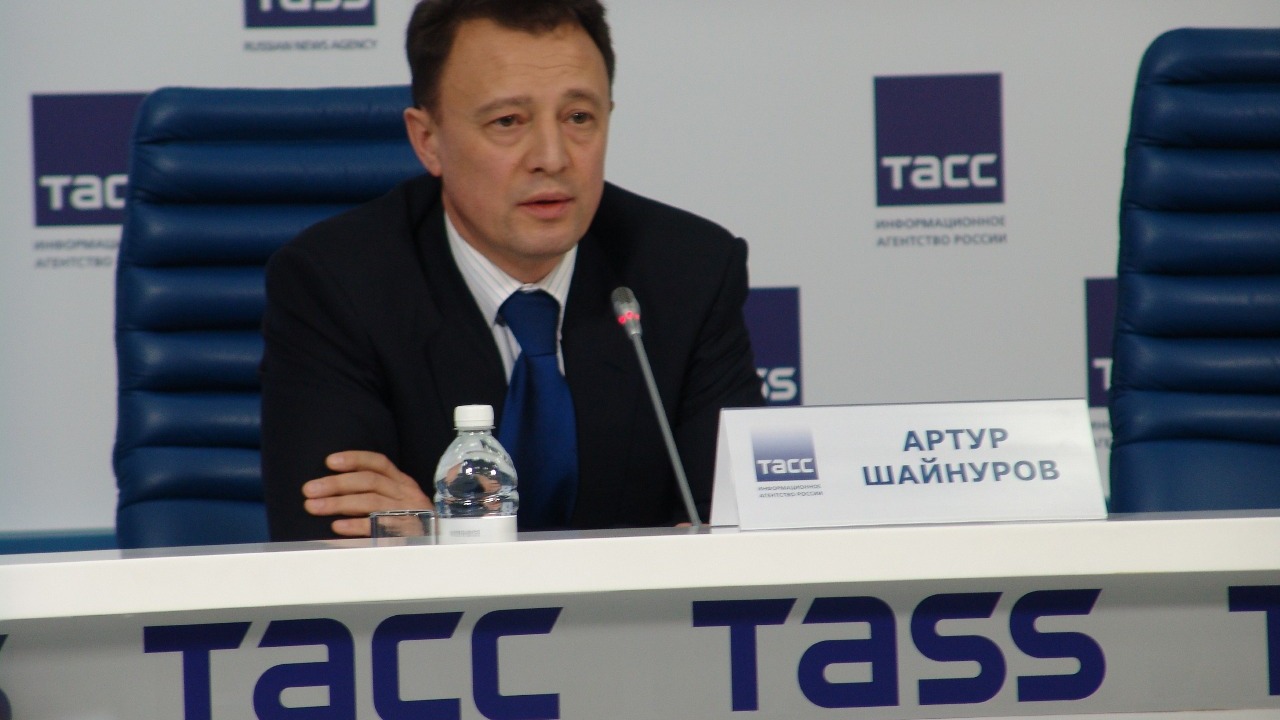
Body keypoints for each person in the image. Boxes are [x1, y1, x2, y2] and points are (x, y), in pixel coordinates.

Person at [260, 0, 763, 541]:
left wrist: (441, 535)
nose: (553, 156)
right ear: (428, 140)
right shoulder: (336, 283)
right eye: (508, 121)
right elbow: (328, 532)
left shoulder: (691, 271)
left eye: (578, 117)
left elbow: (737, 529)